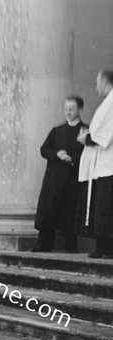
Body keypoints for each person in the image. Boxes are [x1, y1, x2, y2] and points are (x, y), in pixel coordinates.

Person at [31, 96, 87, 253]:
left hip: (73, 179)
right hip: (54, 179)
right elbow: (44, 149)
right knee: (48, 211)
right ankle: (44, 245)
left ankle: (71, 247)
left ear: (80, 110)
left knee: (71, 212)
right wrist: (57, 154)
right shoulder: (57, 131)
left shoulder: (85, 131)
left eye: (71, 109)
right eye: (66, 109)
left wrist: (72, 158)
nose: (68, 113)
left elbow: (88, 153)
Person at [76, 70, 113, 259]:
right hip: (104, 163)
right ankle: (103, 246)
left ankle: (107, 248)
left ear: (106, 81)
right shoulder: (107, 101)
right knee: (102, 205)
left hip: (109, 163)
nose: (95, 86)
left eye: (97, 82)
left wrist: (87, 138)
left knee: (107, 206)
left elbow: (106, 132)